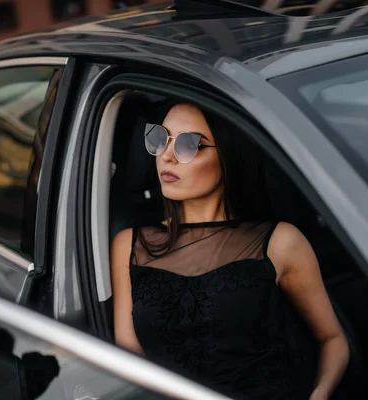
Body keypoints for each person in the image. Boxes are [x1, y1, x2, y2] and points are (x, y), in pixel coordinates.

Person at [111, 102, 349, 400]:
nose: (167, 157)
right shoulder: (130, 246)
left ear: (227, 155)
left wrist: (320, 393)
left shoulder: (280, 242)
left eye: (189, 144)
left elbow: (332, 338)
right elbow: (129, 356)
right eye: (160, 138)